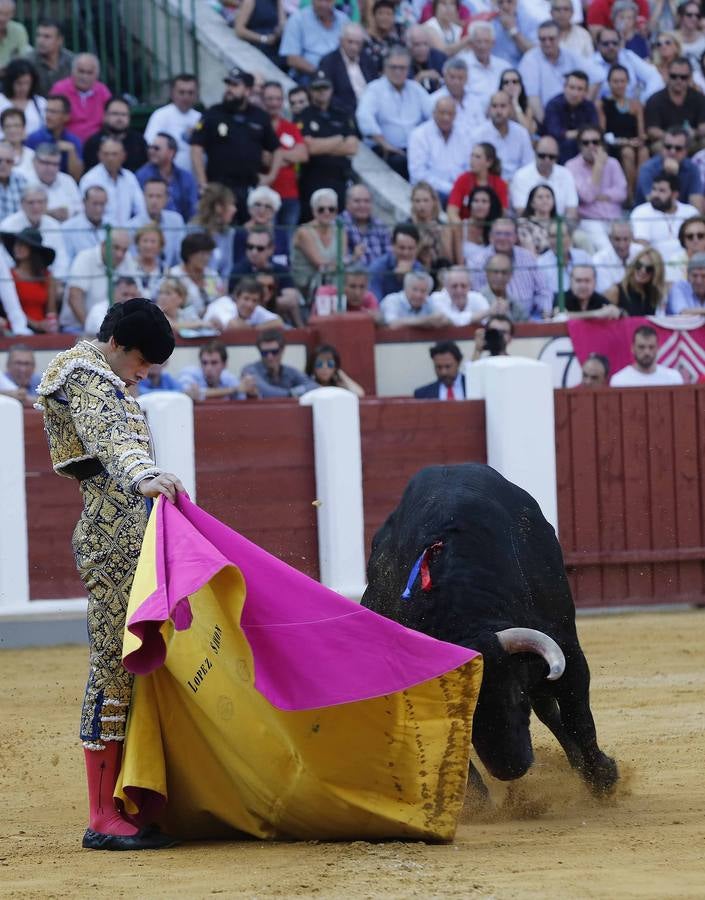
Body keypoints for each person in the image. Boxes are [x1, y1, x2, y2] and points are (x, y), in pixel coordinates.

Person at [35, 298, 184, 851]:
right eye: (141, 361)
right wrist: (143, 474)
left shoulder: (108, 379)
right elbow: (111, 441)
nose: (143, 373)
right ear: (118, 343)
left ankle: (130, 795)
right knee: (116, 665)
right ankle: (101, 814)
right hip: (112, 541)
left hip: (132, 535)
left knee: (144, 661)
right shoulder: (84, 375)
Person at [190, 67, 278, 221]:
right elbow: (196, 147)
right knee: (217, 226)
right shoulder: (213, 113)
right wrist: (203, 183)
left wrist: (271, 176)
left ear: (248, 91)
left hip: (249, 186)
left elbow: (276, 149)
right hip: (218, 186)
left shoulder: (260, 116)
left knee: (249, 228)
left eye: (235, 85)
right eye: (228, 84)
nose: (229, 89)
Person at [356, 46, 433, 178]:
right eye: (393, 67)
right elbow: (364, 117)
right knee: (400, 162)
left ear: (408, 69)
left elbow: (433, 115)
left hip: (416, 148)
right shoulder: (374, 89)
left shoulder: (416, 89)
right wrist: (384, 143)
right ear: (385, 68)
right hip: (386, 150)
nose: (398, 72)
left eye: (402, 68)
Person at [295, 70, 359, 220]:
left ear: (331, 89)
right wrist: (338, 139)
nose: (322, 92)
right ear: (311, 90)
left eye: (325, 87)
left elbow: (352, 147)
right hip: (313, 178)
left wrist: (320, 145)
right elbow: (309, 148)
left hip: (339, 179)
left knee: (339, 223)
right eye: (318, 88)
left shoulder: (342, 114)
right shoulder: (304, 115)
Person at [468, 218, 553, 320]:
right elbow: (476, 296)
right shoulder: (477, 262)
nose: (502, 238)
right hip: (491, 318)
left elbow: (543, 290)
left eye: (507, 234)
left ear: (515, 237)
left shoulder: (527, 257)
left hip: (528, 317)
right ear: (490, 237)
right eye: (498, 234)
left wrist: (545, 312)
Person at [518, 20, 598, 126]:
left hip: (573, 115)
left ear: (560, 37)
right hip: (546, 118)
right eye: (543, 39)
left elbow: (597, 76)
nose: (547, 43)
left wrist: (583, 101)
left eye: (551, 39)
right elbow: (532, 97)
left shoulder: (569, 54)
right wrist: (547, 125)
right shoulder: (530, 59)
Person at [565, 125, 628, 252]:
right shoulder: (571, 166)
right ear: (580, 146)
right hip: (590, 221)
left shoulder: (613, 163)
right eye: (586, 143)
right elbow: (587, 196)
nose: (591, 146)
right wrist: (598, 167)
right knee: (607, 249)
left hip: (615, 218)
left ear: (602, 144)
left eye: (595, 142)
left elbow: (622, 193)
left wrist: (600, 195)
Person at [61, 229, 137, 332]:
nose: (120, 254)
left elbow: (137, 295)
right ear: (104, 244)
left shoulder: (127, 259)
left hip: (115, 330)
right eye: (116, 247)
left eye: (124, 250)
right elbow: (74, 297)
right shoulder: (85, 257)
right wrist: (93, 330)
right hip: (79, 327)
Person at [595, 63, 648, 201]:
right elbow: (602, 132)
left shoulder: (636, 105)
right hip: (613, 144)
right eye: (615, 81)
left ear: (628, 82)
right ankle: (628, 194)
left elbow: (641, 132)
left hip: (633, 143)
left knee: (644, 152)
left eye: (622, 81)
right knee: (627, 152)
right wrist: (624, 142)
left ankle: (640, 193)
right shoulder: (602, 104)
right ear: (609, 83)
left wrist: (639, 141)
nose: (619, 85)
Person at [259, 81, 308, 228]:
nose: (274, 103)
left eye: (278, 99)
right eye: (270, 99)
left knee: (288, 239)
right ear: (262, 100)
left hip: (290, 195)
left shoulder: (290, 127)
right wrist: (288, 158)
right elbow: (260, 158)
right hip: (264, 197)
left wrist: (276, 156)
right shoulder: (256, 125)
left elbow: (303, 155)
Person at [0, 184, 69, 278]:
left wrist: (56, 279)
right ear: (22, 204)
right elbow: (4, 260)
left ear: (46, 203)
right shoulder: (8, 226)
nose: (36, 207)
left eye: (40, 202)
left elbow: (61, 258)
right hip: (16, 279)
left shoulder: (54, 225)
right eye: (31, 202)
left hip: (48, 279)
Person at [407, 96, 467, 204]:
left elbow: (468, 167)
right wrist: (451, 189)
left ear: (455, 115)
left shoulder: (464, 135)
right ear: (434, 113)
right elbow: (418, 174)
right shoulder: (419, 135)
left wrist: (459, 188)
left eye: (450, 114)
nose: (446, 118)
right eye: (442, 113)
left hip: (459, 191)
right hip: (429, 192)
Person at [630, 171, 699, 260]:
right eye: (654, 189)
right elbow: (642, 247)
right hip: (655, 264)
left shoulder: (690, 212)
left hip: (688, 263)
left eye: (661, 191)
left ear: (674, 194)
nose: (655, 194)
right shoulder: (641, 212)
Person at [79, 137, 146, 227]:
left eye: (114, 154)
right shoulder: (89, 179)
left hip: (128, 231)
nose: (110, 158)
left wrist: (131, 227)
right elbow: (85, 213)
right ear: (99, 155)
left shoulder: (129, 177)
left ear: (123, 156)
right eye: (106, 154)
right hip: (100, 231)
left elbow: (141, 208)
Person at [634, 125, 703, 210]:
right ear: (662, 148)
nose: (672, 151)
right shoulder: (648, 169)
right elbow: (655, 204)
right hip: (650, 215)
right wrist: (669, 175)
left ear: (686, 151)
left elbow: (696, 207)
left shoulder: (692, 169)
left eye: (678, 148)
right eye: (668, 147)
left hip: (682, 215)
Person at [1, 225, 56, 331]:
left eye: (23, 244)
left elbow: (51, 311)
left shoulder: (47, 276)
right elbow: (9, 309)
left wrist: (51, 324)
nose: (18, 247)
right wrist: (36, 325)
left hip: (44, 330)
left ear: (33, 249)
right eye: (16, 244)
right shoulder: (9, 275)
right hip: (16, 329)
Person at [471, 90, 534, 183]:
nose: (498, 111)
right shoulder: (478, 135)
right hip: (487, 184)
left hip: (517, 184)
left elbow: (529, 166)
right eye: (494, 106)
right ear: (489, 109)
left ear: (511, 108)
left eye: (503, 106)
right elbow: (473, 167)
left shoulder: (521, 133)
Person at [291, 186, 341, 302]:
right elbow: (320, 264)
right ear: (313, 211)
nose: (326, 212)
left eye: (331, 209)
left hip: (331, 280)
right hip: (307, 284)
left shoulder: (340, 231)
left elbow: (340, 261)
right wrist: (352, 258)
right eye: (321, 209)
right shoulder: (304, 232)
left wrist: (341, 263)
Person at [143, 73, 201, 174]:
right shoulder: (160, 115)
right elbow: (150, 143)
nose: (186, 97)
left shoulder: (200, 118)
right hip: (165, 175)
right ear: (172, 93)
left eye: (190, 93)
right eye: (181, 92)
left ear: (197, 94)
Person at [135, 131, 198, 223]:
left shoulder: (186, 177)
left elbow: (193, 210)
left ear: (171, 152)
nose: (151, 151)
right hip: (149, 227)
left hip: (182, 227)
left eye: (156, 148)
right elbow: (138, 209)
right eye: (150, 147)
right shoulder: (141, 175)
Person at [280, 0, 349, 83]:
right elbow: (292, 59)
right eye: (319, 0)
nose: (323, 4)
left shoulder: (344, 20)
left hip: (340, 74)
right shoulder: (297, 19)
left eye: (328, 1)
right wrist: (320, 73)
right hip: (309, 75)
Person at [510, 136, 579, 217]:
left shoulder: (566, 174)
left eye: (551, 157)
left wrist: (561, 224)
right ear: (535, 154)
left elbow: (572, 209)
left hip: (560, 223)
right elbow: (521, 211)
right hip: (531, 223)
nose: (547, 160)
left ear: (557, 157)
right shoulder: (521, 176)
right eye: (542, 156)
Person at [317, 22, 377, 115]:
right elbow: (328, 95)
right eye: (350, 42)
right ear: (341, 41)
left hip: (372, 109)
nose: (354, 47)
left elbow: (375, 85)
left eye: (358, 43)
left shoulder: (367, 59)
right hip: (345, 113)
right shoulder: (329, 62)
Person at [591, 27, 664, 103]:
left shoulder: (628, 56)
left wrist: (645, 100)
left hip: (630, 106)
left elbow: (653, 76)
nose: (611, 47)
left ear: (620, 44)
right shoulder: (591, 63)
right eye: (606, 44)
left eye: (615, 43)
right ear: (598, 45)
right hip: (602, 107)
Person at [49, 54, 111, 143]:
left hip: (97, 143)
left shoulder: (103, 91)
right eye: (81, 71)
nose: (84, 77)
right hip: (65, 141)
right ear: (72, 72)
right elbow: (52, 118)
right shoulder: (59, 89)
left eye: (89, 73)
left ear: (96, 75)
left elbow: (110, 119)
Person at [645, 56, 705, 146]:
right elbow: (652, 130)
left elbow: (703, 125)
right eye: (674, 76)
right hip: (665, 142)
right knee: (658, 146)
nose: (678, 80)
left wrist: (695, 133)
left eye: (683, 77)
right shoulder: (655, 100)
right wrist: (670, 137)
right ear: (668, 75)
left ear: (690, 77)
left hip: (692, 141)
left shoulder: (699, 98)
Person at [240, 329, 318, 398]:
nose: (269, 357)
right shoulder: (250, 370)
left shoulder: (290, 371)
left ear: (282, 350)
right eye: (264, 353)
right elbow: (266, 391)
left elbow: (313, 386)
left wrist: (292, 393)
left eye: (274, 352)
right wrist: (291, 393)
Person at [127, 177, 185, 270]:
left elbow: (181, 255)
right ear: (144, 197)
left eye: (159, 196)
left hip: (171, 275)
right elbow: (132, 260)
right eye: (150, 196)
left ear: (167, 198)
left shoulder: (176, 220)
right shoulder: (131, 226)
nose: (154, 201)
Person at [543, 70, 599, 164]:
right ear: (564, 88)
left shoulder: (589, 106)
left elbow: (595, 130)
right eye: (571, 87)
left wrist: (575, 134)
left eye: (580, 89)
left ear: (586, 92)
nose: (575, 93)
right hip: (558, 147)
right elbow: (555, 132)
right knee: (568, 145)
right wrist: (581, 133)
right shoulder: (554, 105)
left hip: (584, 144)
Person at [447, 143, 508, 229]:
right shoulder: (462, 180)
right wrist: (462, 230)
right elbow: (452, 211)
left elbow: (502, 213)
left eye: (477, 157)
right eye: (472, 156)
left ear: (489, 162)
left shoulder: (499, 183)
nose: (472, 160)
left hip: (491, 229)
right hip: (465, 227)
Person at [25, 93, 83, 180]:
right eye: (47, 111)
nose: (48, 116)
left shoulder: (74, 141)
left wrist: (71, 152)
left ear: (66, 117)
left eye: (53, 112)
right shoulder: (33, 139)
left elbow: (76, 177)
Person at [82, 97, 147, 173]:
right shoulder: (93, 143)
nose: (119, 118)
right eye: (115, 114)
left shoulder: (139, 141)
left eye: (124, 114)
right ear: (105, 116)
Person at [169, 232, 223, 317]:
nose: (206, 258)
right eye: (202, 254)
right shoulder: (174, 275)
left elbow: (219, 300)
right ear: (189, 253)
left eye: (209, 254)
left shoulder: (211, 275)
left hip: (212, 320)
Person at [456, 21, 510, 106]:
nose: (483, 46)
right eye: (478, 41)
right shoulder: (461, 65)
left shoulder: (504, 67)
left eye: (486, 41)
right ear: (471, 44)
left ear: (493, 43)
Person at [610, 323, 684, 385]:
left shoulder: (674, 379)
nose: (647, 352)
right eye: (641, 347)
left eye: (651, 347)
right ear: (632, 348)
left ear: (658, 348)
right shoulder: (619, 381)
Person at [25, 141, 81, 222]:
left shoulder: (67, 180)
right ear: (34, 162)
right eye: (46, 163)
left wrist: (68, 212)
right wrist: (49, 214)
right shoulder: (23, 180)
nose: (51, 168)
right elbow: (19, 212)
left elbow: (80, 209)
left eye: (55, 164)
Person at [369, 222, 425, 300]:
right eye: (402, 248)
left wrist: (407, 278)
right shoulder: (377, 268)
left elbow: (422, 302)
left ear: (417, 248)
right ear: (393, 245)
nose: (406, 253)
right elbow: (375, 301)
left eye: (410, 248)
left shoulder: (419, 269)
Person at [204, 276, 282, 331]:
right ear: (237, 297)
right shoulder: (223, 303)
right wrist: (258, 328)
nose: (249, 304)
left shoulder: (256, 309)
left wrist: (253, 329)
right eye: (246, 299)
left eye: (254, 300)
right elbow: (233, 326)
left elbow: (278, 322)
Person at [428, 57, 483, 136]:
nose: (456, 82)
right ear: (444, 77)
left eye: (460, 78)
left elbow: (482, 126)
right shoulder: (433, 100)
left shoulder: (476, 100)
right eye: (452, 77)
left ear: (467, 78)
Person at [340, 182, 390, 267]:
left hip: (378, 273)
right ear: (347, 204)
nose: (362, 205)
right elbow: (337, 262)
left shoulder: (380, 225)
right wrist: (354, 257)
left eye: (366, 201)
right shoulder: (338, 224)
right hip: (350, 273)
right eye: (357, 201)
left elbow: (389, 257)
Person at [604, 247, 666, 315]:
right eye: (639, 265)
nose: (643, 271)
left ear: (656, 273)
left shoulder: (654, 294)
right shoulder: (616, 291)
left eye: (649, 269)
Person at [381, 270, 450, 329]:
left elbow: (444, 320)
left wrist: (440, 319)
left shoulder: (429, 301)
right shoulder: (392, 300)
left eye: (423, 291)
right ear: (405, 288)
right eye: (415, 289)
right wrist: (425, 321)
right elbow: (392, 324)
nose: (418, 295)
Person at [408, 180, 453, 271]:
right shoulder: (407, 226)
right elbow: (405, 259)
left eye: (426, 200)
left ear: (434, 202)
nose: (422, 205)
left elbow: (449, 260)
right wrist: (422, 242)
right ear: (412, 203)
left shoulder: (442, 226)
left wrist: (440, 237)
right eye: (417, 201)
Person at [23, 17, 72, 96]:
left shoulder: (71, 61)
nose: (40, 41)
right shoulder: (27, 62)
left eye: (47, 37)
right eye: (38, 35)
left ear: (60, 40)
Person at [0, 58, 46, 138]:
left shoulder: (41, 103)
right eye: (19, 83)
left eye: (27, 83)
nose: (23, 88)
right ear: (10, 82)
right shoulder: (1, 100)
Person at [62, 185, 107, 263]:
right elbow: (66, 261)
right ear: (84, 202)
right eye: (95, 204)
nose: (98, 209)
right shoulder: (68, 228)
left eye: (102, 204)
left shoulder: (113, 226)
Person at [309, 265, 380, 315]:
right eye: (352, 286)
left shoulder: (369, 299)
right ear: (342, 285)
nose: (357, 293)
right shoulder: (326, 295)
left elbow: (379, 320)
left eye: (362, 287)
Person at [593, 219, 641, 292]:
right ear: (610, 238)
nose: (622, 245)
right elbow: (606, 292)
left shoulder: (641, 252)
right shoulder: (599, 260)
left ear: (632, 238)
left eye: (626, 239)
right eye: (617, 239)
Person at [362, 0, 404, 76]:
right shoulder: (364, 39)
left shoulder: (398, 36)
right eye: (380, 13)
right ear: (374, 16)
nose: (385, 17)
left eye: (389, 14)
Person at [406, 24, 447, 95]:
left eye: (425, 44)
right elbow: (403, 91)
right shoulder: (403, 61)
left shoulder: (439, 57)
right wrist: (419, 77)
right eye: (417, 45)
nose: (422, 49)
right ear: (409, 46)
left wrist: (440, 79)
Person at [517, 184, 557, 256]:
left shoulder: (559, 223)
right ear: (532, 203)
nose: (545, 200)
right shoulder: (524, 224)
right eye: (540, 197)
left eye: (548, 197)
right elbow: (530, 254)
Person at [498, 67, 537, 135]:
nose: (510, 85)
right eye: (506, 82)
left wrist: (515, 102)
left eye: (515, 81)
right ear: (501, 86)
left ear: (520, 85)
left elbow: (526, 130)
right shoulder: (496, 103)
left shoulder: (526, 104)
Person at [1, 107, 34, 177]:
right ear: (2, 129)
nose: (12, 130)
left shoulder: (32, 156)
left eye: (16, 126)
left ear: (24, 128)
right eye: (8, 126)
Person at [0, 0, 28, 73]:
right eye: (0, 13)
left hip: (12, 75)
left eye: (6, 14)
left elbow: (24, 57)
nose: (2, 18)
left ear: (12, 14)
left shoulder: (18, 30)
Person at [0, 136, 25, 219]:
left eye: (8, 161)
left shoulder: (22, 181)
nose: (3, 165)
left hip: (17, 226)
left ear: (13, 163)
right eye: (0, 160)